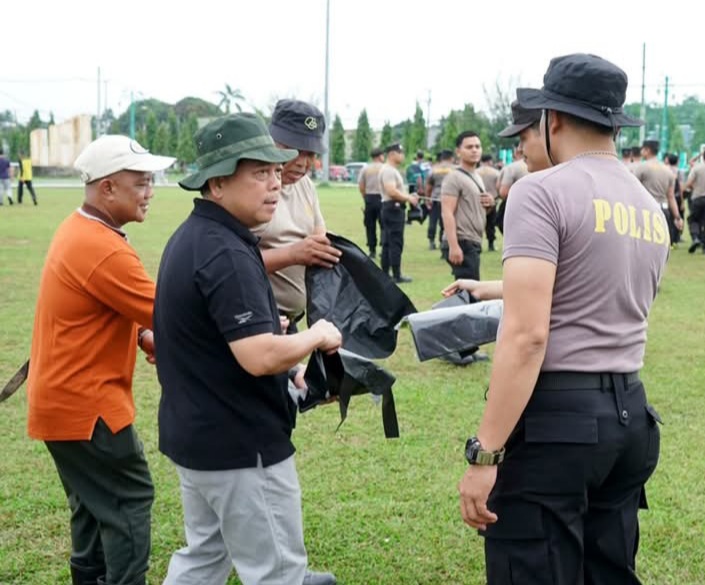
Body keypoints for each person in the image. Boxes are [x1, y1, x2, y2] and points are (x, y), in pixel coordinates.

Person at [453, 53, 667, 585]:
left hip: (559, 423)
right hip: (630, 418)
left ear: (553, 119)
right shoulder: (648, 206)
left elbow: (527, 336)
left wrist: (485, 454)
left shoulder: (541, 190)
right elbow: (592, 290)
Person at [155, 113, 341, 585]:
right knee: (276, 572)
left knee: (203, 558)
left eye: (276, 171)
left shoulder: (196, 237)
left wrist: (282, 345)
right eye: (259, 172)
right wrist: (316, 335)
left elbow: (221, 337)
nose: (275, 183)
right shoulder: (227, 253)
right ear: (217, 183)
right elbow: (258, 357)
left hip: (198, 436)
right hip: (239, 444)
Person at [26, 135, 175, 585]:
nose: (150, 192)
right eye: (141, 182)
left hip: (61, 403)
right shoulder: (103, 247)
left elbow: (101, 306)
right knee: (130, 498)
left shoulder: (78, 229)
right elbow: (175, 313)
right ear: (107, 188)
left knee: (92, 507)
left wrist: (142, 334)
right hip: (89, 408)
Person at [252, 99, 341, 331]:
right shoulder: (250, 188)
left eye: (311, 154)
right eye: (294, 150)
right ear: (271, 140)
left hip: (290, 322)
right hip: (253, 318)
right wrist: (292, 254)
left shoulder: (306, 186)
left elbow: (318, 238)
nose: (303, 163)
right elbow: (230, 263)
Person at [440, 131, 494, 280]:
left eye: (477, 146)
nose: (474, 150)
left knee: (467, 288)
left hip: (473, 240)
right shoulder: (453, 177)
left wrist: (489, 203)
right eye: (469, 147)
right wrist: (454, 246)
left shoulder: (477, 176)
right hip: (462, 240)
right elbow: (447, 212)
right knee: (469, 288)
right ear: (458, 151)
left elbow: (476, 210)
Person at [379, 143, 418, 283]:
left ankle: (385, 273)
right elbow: (391, 191)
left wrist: (408, 196)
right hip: (393, 208)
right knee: (395, 242)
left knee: (388, 242)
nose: (402, 156)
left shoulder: (390, 169)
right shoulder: (389, 170)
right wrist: (408, 198)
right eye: (400, 153)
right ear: (392, 154)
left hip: (390, 208)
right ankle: (396, 275)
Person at [633, 140, 683, 241]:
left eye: (642, 149)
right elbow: (671, 197)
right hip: (663, 211)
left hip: (646, 211)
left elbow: (632, 189)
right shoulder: (668, 171)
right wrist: (677, 217)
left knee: (645, 242)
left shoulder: (641, 168)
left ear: (647, 150)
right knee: (660, 242)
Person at [358, 146, 385, 258]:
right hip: (383, 198)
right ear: (380, 156)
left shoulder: (365, 169)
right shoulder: (385, 168)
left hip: (369, 198)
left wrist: (365, 197)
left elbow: (361, 186)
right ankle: (384, 248)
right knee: (384, 225)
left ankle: (372, 249)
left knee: (370, 225)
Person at [424, 149, 453, 250]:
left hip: (436, 198)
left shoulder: (434, 169)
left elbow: (428, 186)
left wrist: (427, 199)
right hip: (450, 198)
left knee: (433, 220)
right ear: (451, 158)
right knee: (445, 221)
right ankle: (443, 241)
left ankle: (431, 241)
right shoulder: (455, 169)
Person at [681, 151, 705, 252]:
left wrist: (684, 190)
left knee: (693, 219)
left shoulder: (697, 168)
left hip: (697, 197)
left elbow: (688, 183)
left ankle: (695, 238)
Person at [476, 154, 500, 251]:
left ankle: (477, 243)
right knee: (491, 223)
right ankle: (491, 244)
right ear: (490, 161)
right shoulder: (496, 172)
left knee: (478, 223)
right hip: (492, 200)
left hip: (478, 201)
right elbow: (498, 187)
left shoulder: (475, 172)